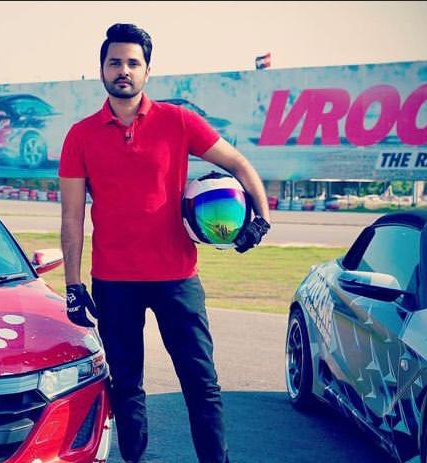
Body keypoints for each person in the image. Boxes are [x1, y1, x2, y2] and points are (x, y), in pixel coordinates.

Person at [58, 23, 271, 463]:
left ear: (147, 71)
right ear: (102, 68)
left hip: (178, 280)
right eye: (115, 61)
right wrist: (74, 285)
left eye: (133, 63)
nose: (124, 70)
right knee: (127, 385)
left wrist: (261, 218)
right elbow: (72, 216)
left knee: (202, 384)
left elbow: (238, 162)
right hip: (114, 282)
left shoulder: (178, 121)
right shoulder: (79, 135)